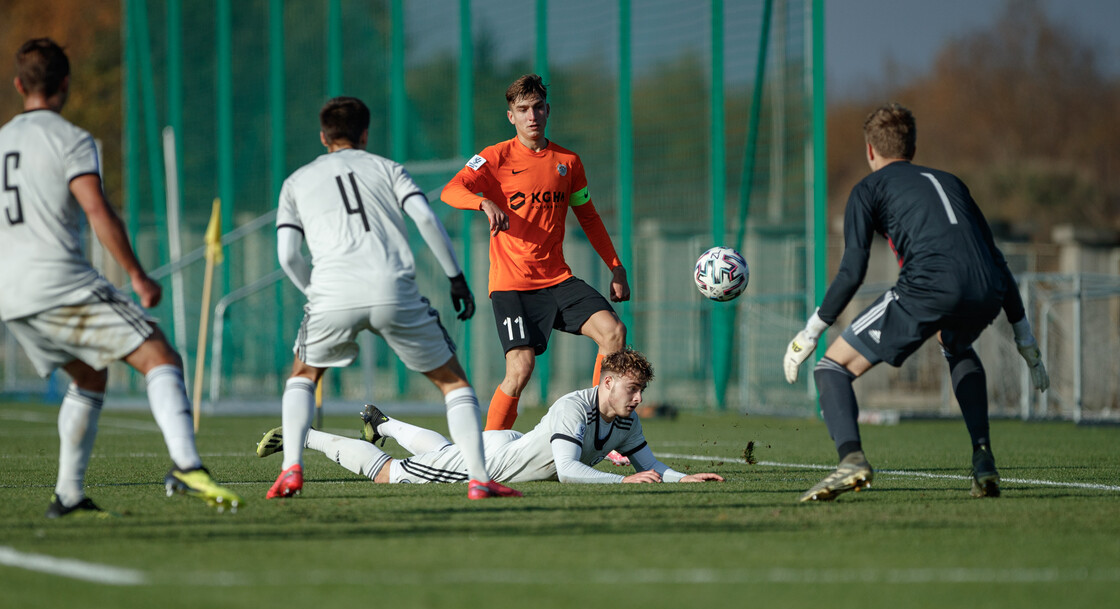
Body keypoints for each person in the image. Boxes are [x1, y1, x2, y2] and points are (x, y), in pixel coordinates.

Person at [0, 38, 240, 517]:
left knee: (90, 374)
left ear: (19, 85)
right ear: (65, 84)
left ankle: (68, 495)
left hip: (11, 294)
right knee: (159, 354)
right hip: (58, 283)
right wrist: (137, 274)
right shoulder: (70, 139)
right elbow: (97, 210)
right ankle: (187, 465)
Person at [783, 103, 1049, 502]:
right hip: (986, 288)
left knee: (831, 368)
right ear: (912, 146)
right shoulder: (952, 183)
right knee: (956, 344)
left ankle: (851, 460)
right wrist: (1025, 339)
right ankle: (983, 459)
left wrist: (811, 331)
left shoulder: (868, 189)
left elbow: (853, 269)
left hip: (928, 286)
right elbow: (996, 259)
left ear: (870, 150)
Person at [271, 96, 519, 501]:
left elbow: (287, 255)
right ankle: (478, 479)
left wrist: (314, 292)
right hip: (393, 288)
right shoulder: (388, 169)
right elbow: (425, 217)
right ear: (365, 134)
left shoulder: (296, 181)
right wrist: (456, 278)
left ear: (323, 137)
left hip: (331, 290)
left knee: (303, 377)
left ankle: (291, 470)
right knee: (453, 383)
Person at [441, 74, 634, 466]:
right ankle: (486, 455)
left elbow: (590, 217)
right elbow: (450, 190)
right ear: (510, 116)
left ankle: (599, 429)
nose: (532, 116)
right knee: (521, 368)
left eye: (538, 108)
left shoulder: (568, 163)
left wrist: (616, 267)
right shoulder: (493, 158)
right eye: (523, 110)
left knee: (613, 332)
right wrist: (482, 203)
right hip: (511, 283)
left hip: (558, 279)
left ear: (547, 111)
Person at [254, 348, 723, 490]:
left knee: (441, 453)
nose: (639, 399)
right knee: (388, 474)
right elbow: (567, 470)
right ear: (605, 382)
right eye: (632, 389)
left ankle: (384, 424)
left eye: (642, 391)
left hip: (509, 444)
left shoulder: (625, 417)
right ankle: (308, 434)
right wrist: (623, 483)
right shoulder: (573, 406)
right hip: (495, 463)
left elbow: (651, 465)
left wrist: (682, 479)